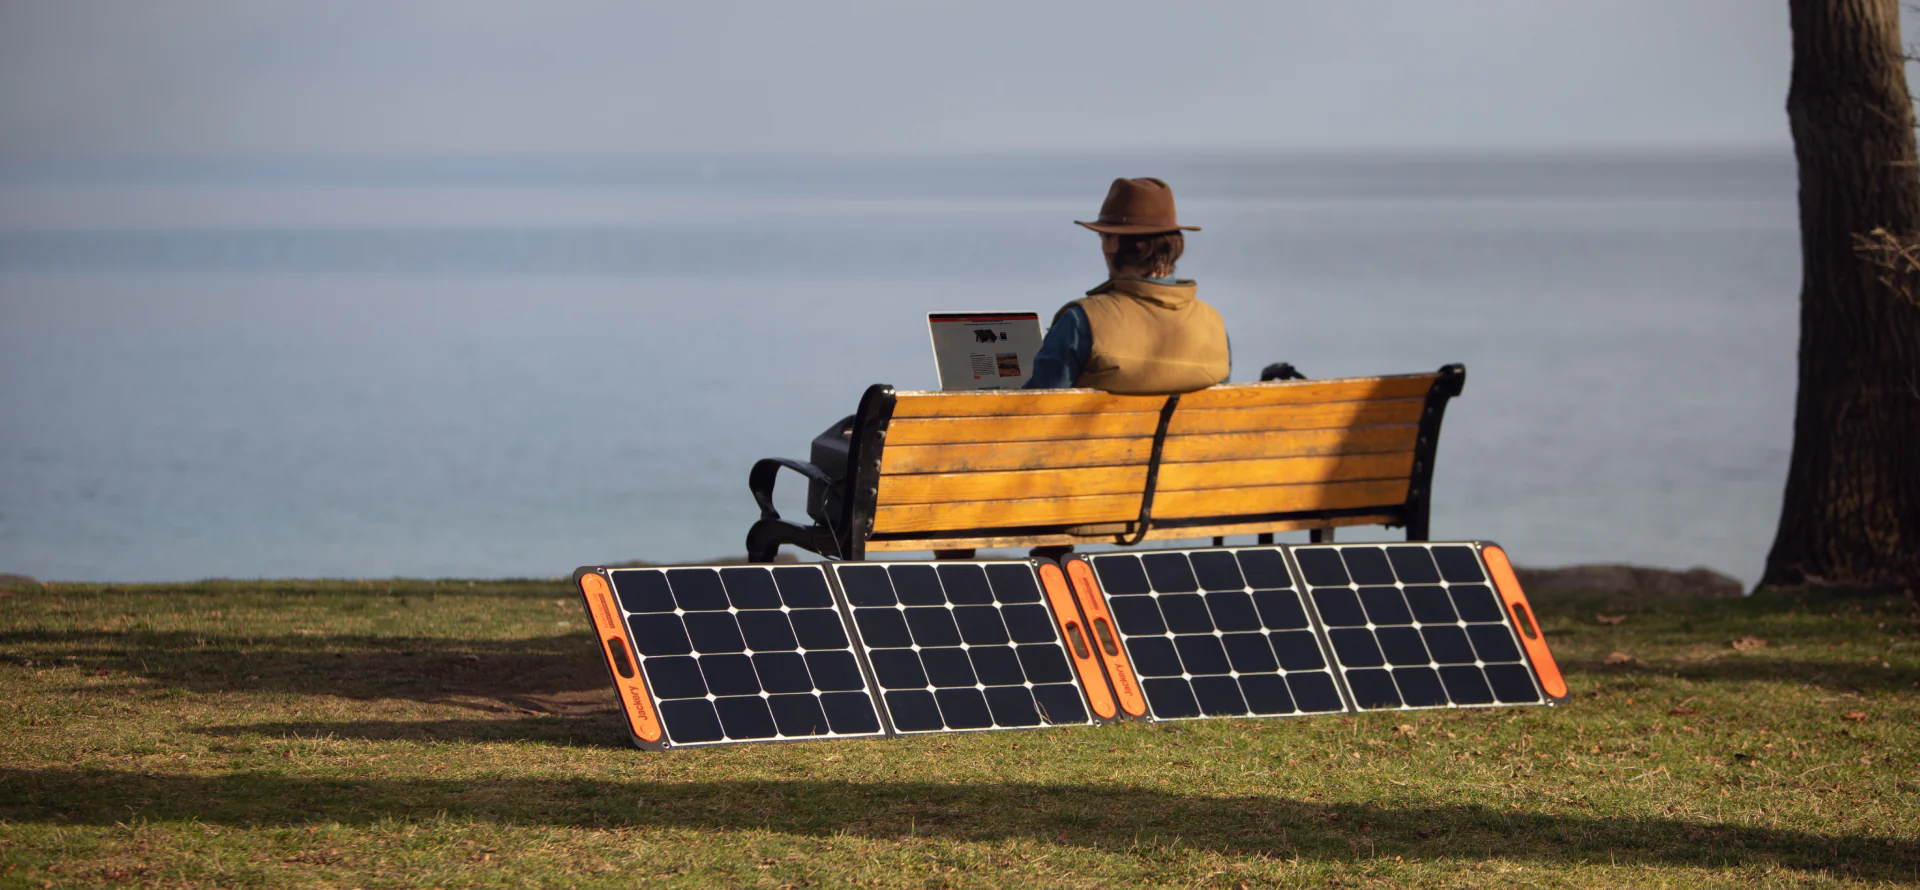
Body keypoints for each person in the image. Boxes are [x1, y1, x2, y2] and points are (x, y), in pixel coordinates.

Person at [1023, 177, 1230, 393]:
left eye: (1103, 236)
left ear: (1114, 243)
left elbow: (1035, 407)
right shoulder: (1213, 323)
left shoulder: (1082, 320)